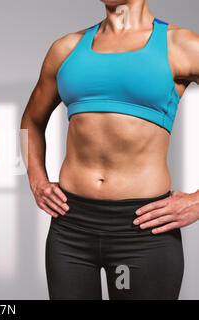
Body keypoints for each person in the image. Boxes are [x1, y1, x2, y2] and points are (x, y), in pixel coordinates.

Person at [21, 0, 199, 299]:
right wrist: (37, 179)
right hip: (71, 227)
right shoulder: (66, 49)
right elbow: (31, 121)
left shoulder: (181, 45)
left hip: (143, 230)